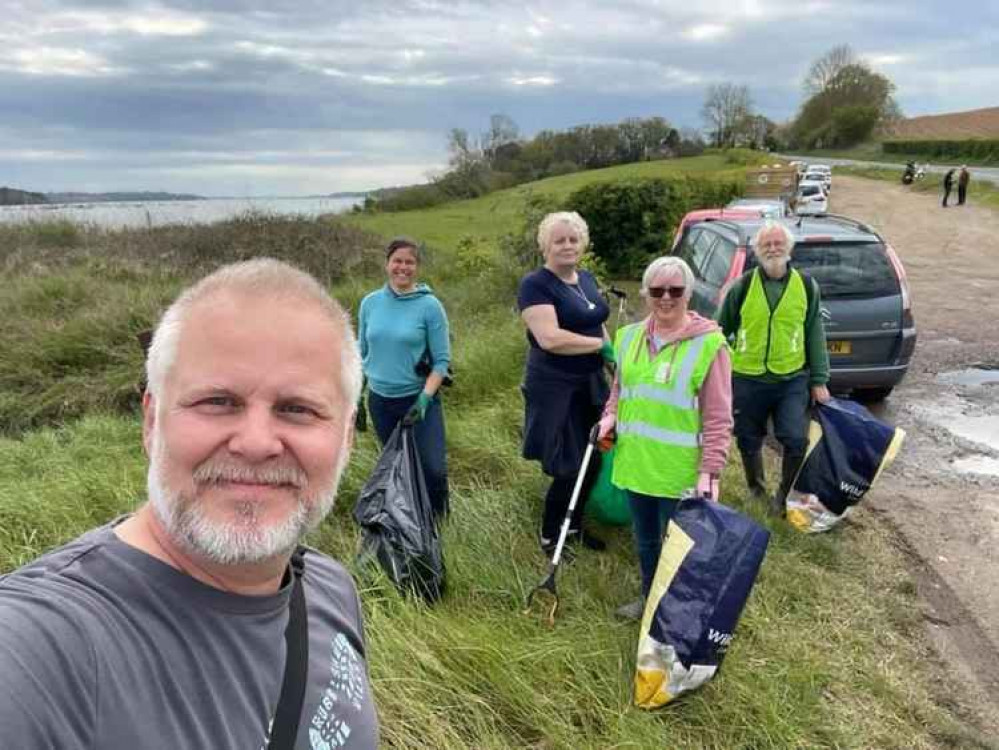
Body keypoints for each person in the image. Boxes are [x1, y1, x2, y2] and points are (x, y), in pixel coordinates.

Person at [0, 259, 379, 748]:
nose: (257, 443)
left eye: (297, 409)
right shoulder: (39, 649)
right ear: (151, 421)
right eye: (217, 402)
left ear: (346, 438)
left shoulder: (330, 590)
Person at [598, 256, 733, 620]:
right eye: (658, 290)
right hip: (637, 464)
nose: (666, 297)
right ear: (646, 294)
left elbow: (719, 417)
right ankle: (650, 601)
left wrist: (711, 472)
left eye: (676, 290)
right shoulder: (626, 339)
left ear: (689, 294)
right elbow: (619, 388)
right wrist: (610, 415)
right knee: (646, 543)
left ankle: (682, 615)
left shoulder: (709, 346)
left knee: (683, 548)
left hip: (680, 473)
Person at [716, 221, 831, 517]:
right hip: (747, 378)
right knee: (748, 437)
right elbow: (718, 331)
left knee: (796, 438)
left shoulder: (806, 286)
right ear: (757, 251)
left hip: (791, 378)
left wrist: (819, 379)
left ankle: (783, 495)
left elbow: (814, 333)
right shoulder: (742, 286)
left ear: (789, 248)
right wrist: (718, 367)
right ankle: (756, 490)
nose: (773, 248)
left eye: (778, 243)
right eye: (766, 244)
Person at [518, 211, 613, 556]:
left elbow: (597, 322)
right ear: (546, 246)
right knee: (568, 462)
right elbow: (550, 338)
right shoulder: (535, 285)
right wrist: (600, 347)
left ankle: (573, 526)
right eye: (559, 240)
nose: (567, 246)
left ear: (582, 243)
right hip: (556, 386)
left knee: (595, 457)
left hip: (591, 382)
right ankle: (549, 532)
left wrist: (613, 361)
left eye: (573, 239)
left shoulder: (585, 279)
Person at [358, 236, 451, 520]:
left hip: (418, 400)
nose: (403, 267)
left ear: (417, 267)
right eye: (397, 261)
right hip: (380, 402)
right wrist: (356, 399)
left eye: (409, 262)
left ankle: (440, 522)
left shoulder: (430, 306)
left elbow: (442, 362)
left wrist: (424, 398)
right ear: (387, 264)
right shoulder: (370, 303)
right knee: (399, 468)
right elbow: (362, 354)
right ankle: (410, 524)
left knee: (432, 468)